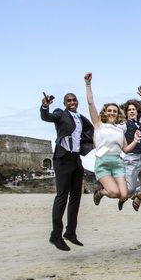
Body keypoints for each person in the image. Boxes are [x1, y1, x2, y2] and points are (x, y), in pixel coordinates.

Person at [40, 88, 94, 251]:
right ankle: (55, 236)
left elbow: (90, 131)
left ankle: (70, 232)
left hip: (76, 158)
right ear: (64, 104)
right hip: (63, 159)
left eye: (74, 100)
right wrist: (44, 107)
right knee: (62, 196)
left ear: (77, 102)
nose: (72, 102)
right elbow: (46, 117)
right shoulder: (59, 114)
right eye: (69, 101)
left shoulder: (81, 119)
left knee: (76, 196)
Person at [85, 73, 141, 208]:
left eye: (115, 111)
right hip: (103, 162)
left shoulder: (119, 129)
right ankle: (100, 192)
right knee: (113, 192)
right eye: (109, 110)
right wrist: (88, 84)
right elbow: (90, 103)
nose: (112, 113)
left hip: (118, 163)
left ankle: (106, 192)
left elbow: (126, 149)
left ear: (118, 114)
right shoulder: (98, 125)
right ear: (105, 112)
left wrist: (135, 140)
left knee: (124, 195)